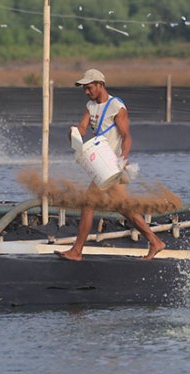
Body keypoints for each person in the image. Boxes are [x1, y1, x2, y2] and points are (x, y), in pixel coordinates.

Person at [55, 68, 166, 261]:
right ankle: (155, 241)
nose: (86, 92)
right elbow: (82, 127)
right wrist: (74, 133)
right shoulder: (90, 106)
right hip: (101, 164)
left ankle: (77, 251)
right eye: (84, 89)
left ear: (100, 85)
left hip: (112, 165)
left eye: (89, 88)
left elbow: (126, 136)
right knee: (124, 208)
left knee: (88, 203)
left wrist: (123, 158)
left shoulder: (116, 106)